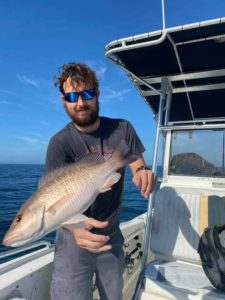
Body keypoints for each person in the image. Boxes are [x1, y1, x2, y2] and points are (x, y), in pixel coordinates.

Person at [45, 62, 156, 300]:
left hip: (111, 233)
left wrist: (142, 172)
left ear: (97, 94)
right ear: (64, 99)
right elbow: (54, 199)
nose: (80, 103)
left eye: (86, 94)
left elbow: (136, 161)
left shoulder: (122, 128)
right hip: (73, 236)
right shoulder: (59, 143)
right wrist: (75, 229)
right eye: (72, 96)